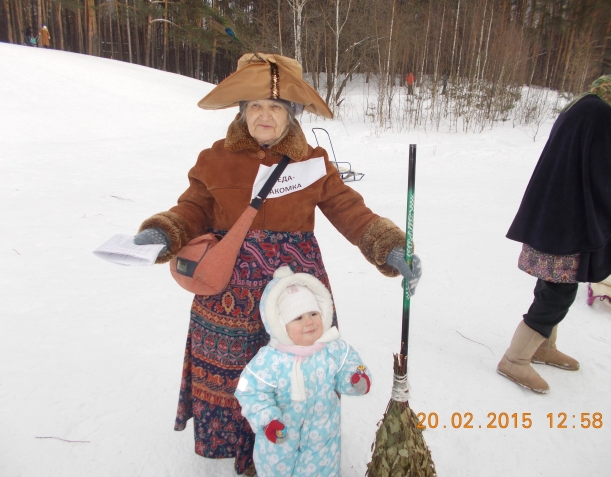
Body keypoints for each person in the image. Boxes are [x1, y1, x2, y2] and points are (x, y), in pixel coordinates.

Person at [132, 53, 421, 475]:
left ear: (292, 116)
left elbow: (351, 211)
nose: (264, 116)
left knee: (297, 362)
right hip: (230, 289)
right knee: (234, 368)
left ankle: (303, 440)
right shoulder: (214, 159)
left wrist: (390, 247)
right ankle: (244, 446)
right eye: (255, 107)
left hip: (297, 288)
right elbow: (191, 209)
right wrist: (162, 233)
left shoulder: (313, 162)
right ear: (241, 112)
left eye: (275, 108)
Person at [498, 54, 611, 394]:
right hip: (567, 216)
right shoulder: (603, 115)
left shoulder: (591, 102)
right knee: (560, 291)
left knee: (554, 283)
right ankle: (515, 360)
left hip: (557, 210)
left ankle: (542, 346)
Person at [234, 266, 371, 477]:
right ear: (280, 325)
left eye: (314, 313)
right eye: (298, 318)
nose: (309, 322)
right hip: (279, 446)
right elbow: (249, 391)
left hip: (323, 443)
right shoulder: (270, 361)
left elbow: (350, 363)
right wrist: (268, 420)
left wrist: (356, 378)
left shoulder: (332, 348)